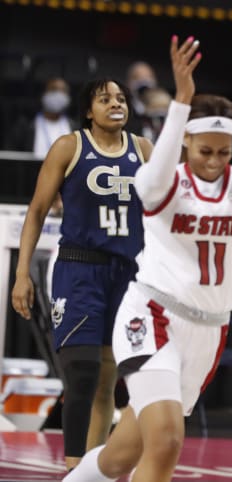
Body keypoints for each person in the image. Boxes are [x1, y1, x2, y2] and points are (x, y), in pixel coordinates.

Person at [63, 35, 232, 482]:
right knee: (165, 444)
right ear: (185, 143)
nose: (214, 161)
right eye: (204, 151)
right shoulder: (166, 180)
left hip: (207, 330)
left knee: (123, 454)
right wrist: (181, 101)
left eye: (223, 151)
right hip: (152, 316)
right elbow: (146, 187)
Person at [11, 75, 153, 471]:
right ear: (88, 110)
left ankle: (95, 471)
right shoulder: (69, 146)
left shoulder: (144, 149)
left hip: (129, 273)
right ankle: (74, 468)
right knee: (83, 372)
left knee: (110, 380)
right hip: (80, 269)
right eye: (104, 98)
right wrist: (22, 274)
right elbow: (37, 210)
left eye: (121, 98)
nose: (115, 104)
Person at [6, 76, 76, 157]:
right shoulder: (26, 125)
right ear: (43, 94)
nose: (58, 94)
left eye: (63, 91)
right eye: (53, 89)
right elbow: (10, 155)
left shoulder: (75, 128)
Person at [124, 60, 158, 137]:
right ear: (128, 83)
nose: (144, 81)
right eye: (137, 77)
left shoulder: (163, 111)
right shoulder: (125, 113)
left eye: (148, 77)